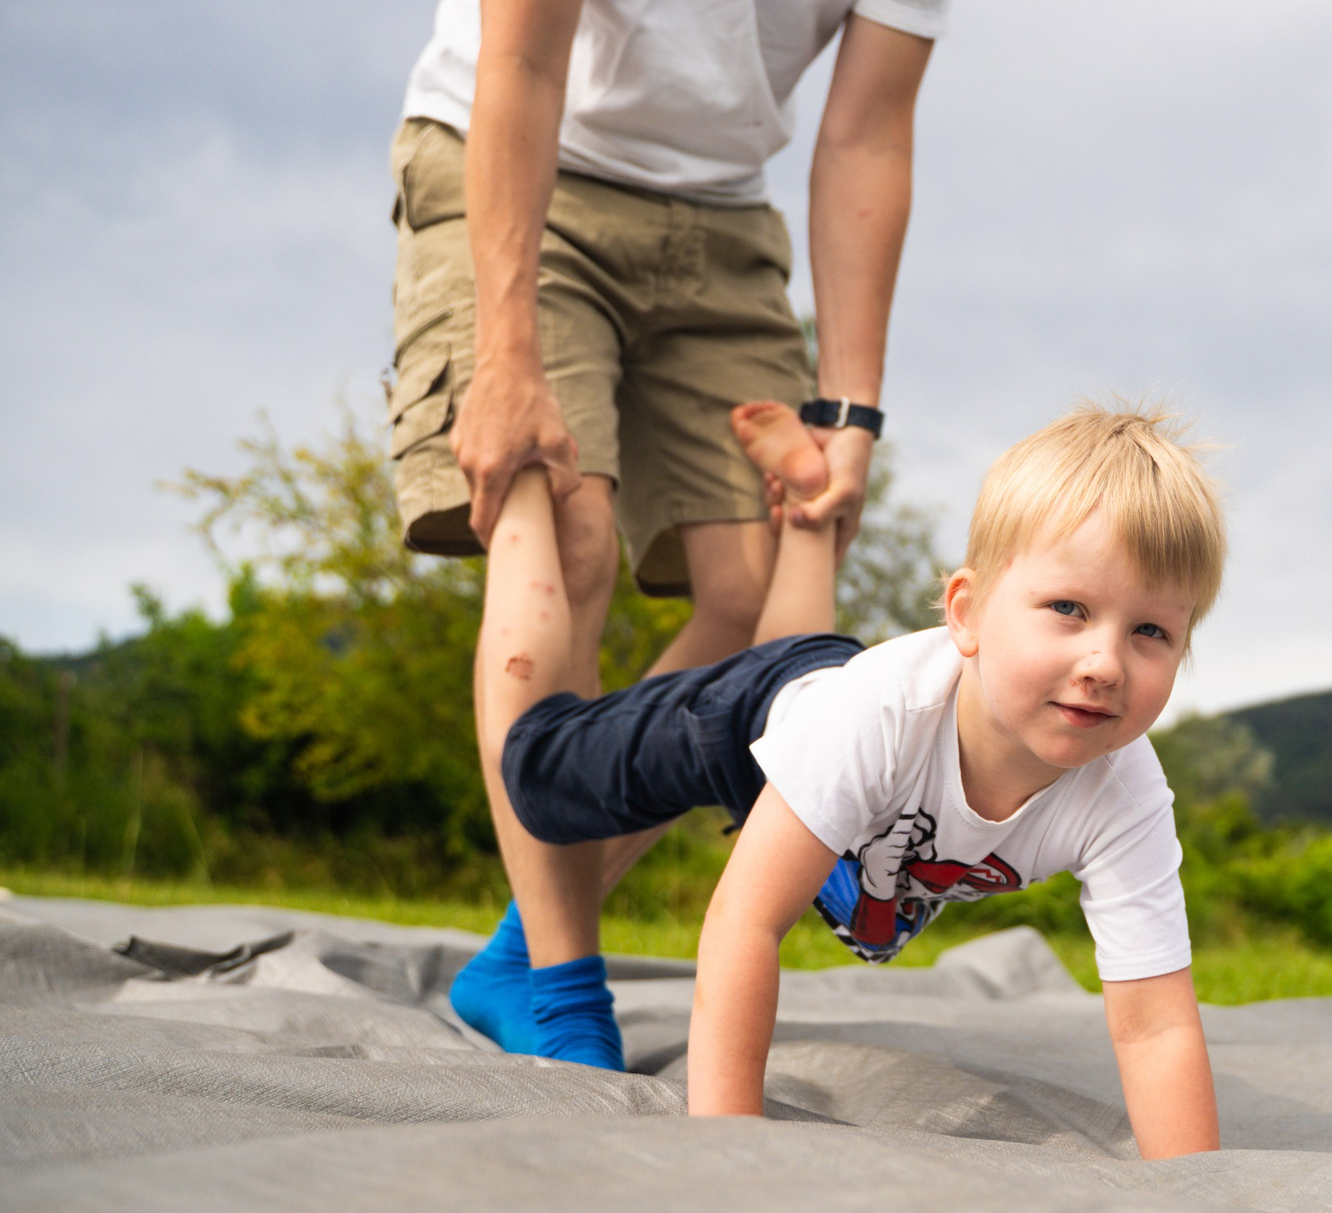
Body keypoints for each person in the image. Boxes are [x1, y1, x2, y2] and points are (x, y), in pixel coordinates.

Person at [389, 0, 982, 1062]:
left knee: (759, 579)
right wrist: (509, 354)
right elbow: (522, 54)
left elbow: (867, 132)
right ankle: (560, 986)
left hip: (715, 212)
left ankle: (519, 943)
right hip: (520, 161)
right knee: (565, 527)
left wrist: (849, 411)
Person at [461, 401, 1224, 1160]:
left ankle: (807, 504)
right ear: (968, 613)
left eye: (1150, 631)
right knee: (536, 774)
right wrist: (727, 1145)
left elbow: (1156, 1022)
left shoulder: (1124, 790)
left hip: (827, 684)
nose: (1105, 663)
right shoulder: (879, 716)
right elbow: (745, 922)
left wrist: (1196, 1191)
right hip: (746, 718)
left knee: (810, 654)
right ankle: (524, 494)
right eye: (1069, 608)